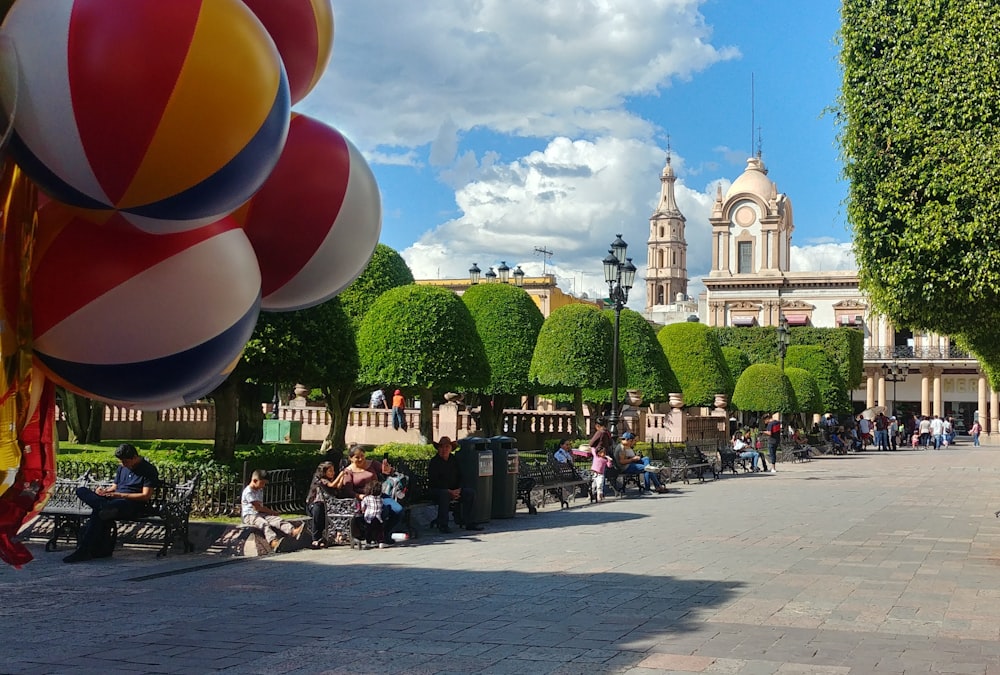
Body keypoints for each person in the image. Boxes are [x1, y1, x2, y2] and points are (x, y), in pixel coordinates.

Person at [64, 443, 159, 563]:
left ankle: (83, 550)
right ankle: (103, 506)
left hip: (131, 504)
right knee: (81, 490)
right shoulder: (122, 467)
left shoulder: (148, 470)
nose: (123, 464)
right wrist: (104, 491)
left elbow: (145, 496)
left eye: (125, 462)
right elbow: (115, 486)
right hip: (113, 501)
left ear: (134, 457)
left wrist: (119, 495)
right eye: (121, 462)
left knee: (100, 512)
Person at [335, 445, 399, 545]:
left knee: (398, 510)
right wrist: (359, 496)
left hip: (379, 495)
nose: (361, 459)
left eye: (362, 456)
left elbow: (387, 471)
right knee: (383, 511)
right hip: (363, 499)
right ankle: (376, 536)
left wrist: (389, 470)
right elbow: (348, 491)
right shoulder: (348, 471)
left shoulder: (372, 464)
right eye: (357, 457)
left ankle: (386, 534)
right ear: (350, 458)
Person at [428, 435, 481, 533]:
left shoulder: (454, 460)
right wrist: (449, 491)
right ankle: (443, 525)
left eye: (447, 447)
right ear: (438, 449)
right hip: (438, 491)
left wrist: (459, 489)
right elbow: (434, 481)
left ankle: (470, 523)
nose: (444, 449)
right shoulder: (434, 462)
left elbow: (461, 476)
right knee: (444, 494)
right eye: (442, 447)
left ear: (451, 449)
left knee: (470, 493)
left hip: (455, 490)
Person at [242, 469, 304, 552]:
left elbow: (260, 508)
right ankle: (273, 542)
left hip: (260, 513)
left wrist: (271, 514)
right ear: (255, 480)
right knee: (264, 524)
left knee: (277, 520)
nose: (263, 486)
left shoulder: (259, 490)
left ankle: (292, 531)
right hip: (250, 516)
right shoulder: (248, 492)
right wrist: (272, 512)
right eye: (262, 483)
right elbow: (257, 507)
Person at [305, 461, 341, 548]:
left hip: (326, 505)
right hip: (315, 504)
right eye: (330, 471)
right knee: (318, 518)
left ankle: (325, 538)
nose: (333, 473)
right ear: (324, 472)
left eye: (333, 470)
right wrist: (341, 475)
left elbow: (338, 486)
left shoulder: (330, 479)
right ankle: (315, 539)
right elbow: (332, 485)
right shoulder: (320, 480)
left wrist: (343, 477)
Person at [358, 480, 386, 548]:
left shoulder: (366, 498)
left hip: (369, 517)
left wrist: (362, 510)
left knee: (368, 530)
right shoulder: (381, 499)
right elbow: (382, 506)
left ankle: (368, 542)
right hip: (379, 517)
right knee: (380, 530)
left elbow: (363, 507)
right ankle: (381, 542)